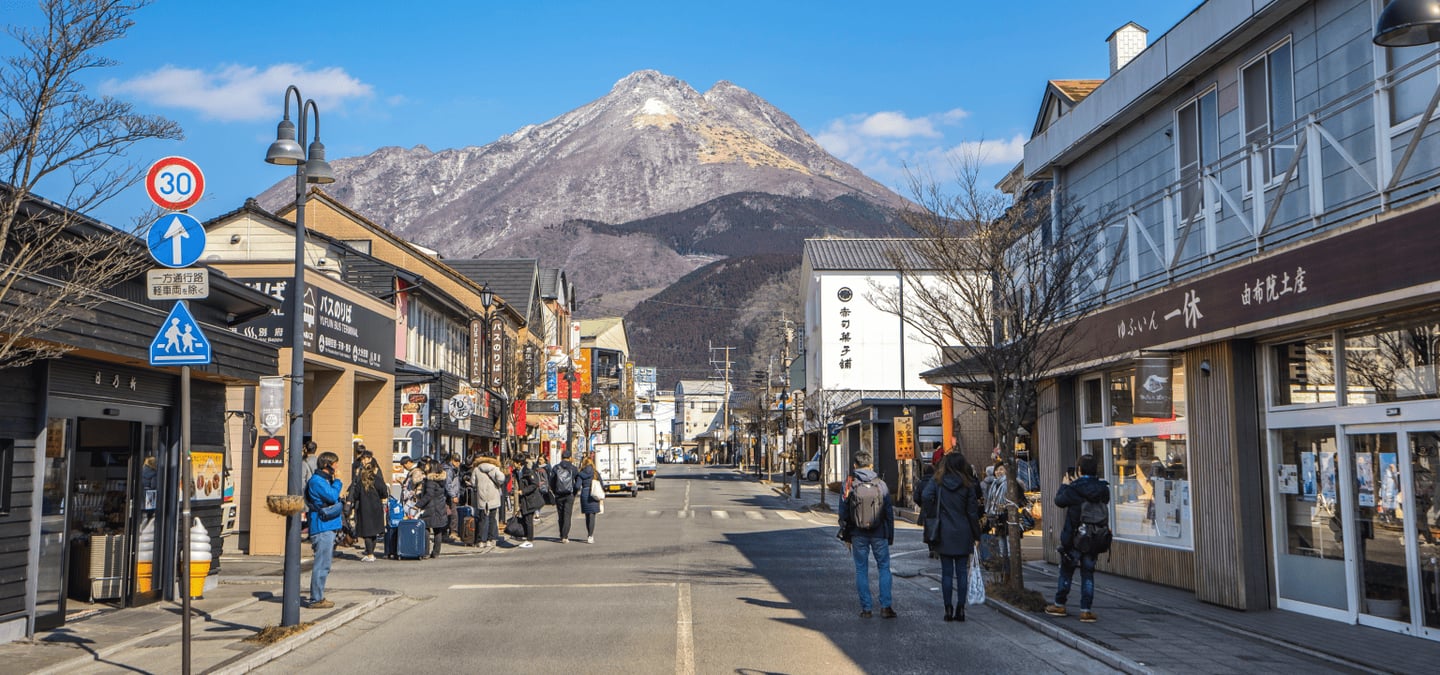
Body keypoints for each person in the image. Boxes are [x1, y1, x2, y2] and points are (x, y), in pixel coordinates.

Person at [1046, 453, 1111, 623]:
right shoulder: (1103, 489)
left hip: (1074, 537)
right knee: (1088, 573)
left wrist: (1065, 485)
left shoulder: (1074, 488)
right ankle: (1086, 610)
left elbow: (1059, 501)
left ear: (1079, 469)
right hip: (1094, 537)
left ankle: (1060, 605)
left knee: (1066, 572)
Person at [922, 451, 983, 622]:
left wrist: (935, 511)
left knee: (947, 573)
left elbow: (926, 496)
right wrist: (976, 535)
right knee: (962, 572)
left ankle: (948, 609)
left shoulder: (937, 481)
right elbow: (972, 512)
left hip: (943, 531)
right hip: (963, 531)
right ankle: (961, 609)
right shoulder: (968, 484)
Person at [837, 451, 896, 619]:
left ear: (855, 466)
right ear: (871, 466)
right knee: (884, 567)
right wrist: (889, 535)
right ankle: (886, 607)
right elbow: (889, 512)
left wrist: (846, 536)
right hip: (879, 533)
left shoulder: (849, 484)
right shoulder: (881, 484)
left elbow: (843, 512)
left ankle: (866, 608)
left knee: (861, 569)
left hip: (857, 533)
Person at [304, 451, 343, 609]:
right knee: (321, 564)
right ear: (328, 465)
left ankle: (318, 596)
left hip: (327, 526)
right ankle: (316, 598)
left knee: (325, 564)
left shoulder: (324, 480)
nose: (337, 467)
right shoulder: (317, 481)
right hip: (321, 527)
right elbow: (332, 496)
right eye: (335, 464)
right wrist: (338, 481)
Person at [347, 450, 389, 562]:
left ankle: (370, 554)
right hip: (376, 507)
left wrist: (350, 501)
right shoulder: (378, 480)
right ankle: (371, 553)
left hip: (364, 508)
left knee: (366, 533)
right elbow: (384, 492)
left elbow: (355, 494)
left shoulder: (361, 481)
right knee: (374, 531)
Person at [415, 458, 450, 559]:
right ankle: (436, 552)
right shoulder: (441, 480)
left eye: (427, 465)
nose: (425, 466)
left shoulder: (430, 480)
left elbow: (429, 495)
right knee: (437, 531)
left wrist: (418, 504)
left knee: (426, 529)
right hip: (440, 507)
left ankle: (425, 552)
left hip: (430, 508)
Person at [471, 454, 507, 550]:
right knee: (492, 519)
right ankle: (490, 540)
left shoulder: (476, 469)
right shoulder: (495, 468)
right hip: (493, 496)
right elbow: (501, 479)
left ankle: (481, 540)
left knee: (483, 519)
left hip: (482, 497)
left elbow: (473, 483)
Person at [549, 450, 580, 543]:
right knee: (567, 515)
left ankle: (561, 533)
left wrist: (555, 491)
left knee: (560, 515)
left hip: (559, 494)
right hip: (569, 495)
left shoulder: (556, 467)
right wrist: (574, 492)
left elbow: (551, 482)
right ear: (570, 457)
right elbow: (577, 484)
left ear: (561, 457)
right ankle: (565, 536)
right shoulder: (573, 468)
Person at [983, 464, 1011, 565]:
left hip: (1008, 517)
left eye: (1001, 469)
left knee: (1009, 543)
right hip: (998, 517)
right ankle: (1004, 565)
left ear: (1007, 471)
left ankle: (1011, 566)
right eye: (997, 470)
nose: (998, 472)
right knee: (1001, 543)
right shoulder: (995, 484)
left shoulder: (1009, 483)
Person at [517, 456, 547, 548]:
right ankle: (526, 536)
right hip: (524, 499)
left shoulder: (528, 471)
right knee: (526, 518)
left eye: (514, 462)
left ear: (518, 463)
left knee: (528, 519)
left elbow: (535, 484)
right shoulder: (519, 471)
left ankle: (529, 540)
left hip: (531, 498)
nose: (513, 465)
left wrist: (523, 491)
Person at [577, 456, 603, 544]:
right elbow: (602, 484)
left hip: (584, 493)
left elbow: (577, 485)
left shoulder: (581, 473)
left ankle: (589, 533)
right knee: (592, 516)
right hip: (594, 494)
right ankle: (590, 535)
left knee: (587, 516)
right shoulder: (595, 473)